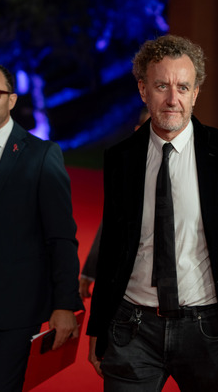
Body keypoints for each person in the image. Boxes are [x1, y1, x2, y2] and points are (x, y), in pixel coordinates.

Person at [86, 34, 218, 391]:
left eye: (183, 87)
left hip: (207, 328)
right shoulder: (120, 157)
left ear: (196, 92)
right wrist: (99, 326)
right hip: (130, 326)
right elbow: (114, 246)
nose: (172, 99)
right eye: (161, 85)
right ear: (143, 90)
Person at [0, 61, 83, 391]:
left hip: (14, 309)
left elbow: (61, 237)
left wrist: (64, 304)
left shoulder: (41, 155)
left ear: (12, 99)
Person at [79, 106, 150, 299]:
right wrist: (89, 270)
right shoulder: (127, 170)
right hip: (128, 277)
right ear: (138, 130)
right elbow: (110, 221)